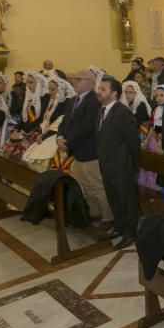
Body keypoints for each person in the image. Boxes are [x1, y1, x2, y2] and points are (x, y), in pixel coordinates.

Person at [58, 70, 109, 225]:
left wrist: (68, 143)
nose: (75, 81)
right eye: (73, 78)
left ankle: (108, 218)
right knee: (85, 186)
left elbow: (86, 127)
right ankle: (94, 213)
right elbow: (64, 121)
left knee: (97, 186)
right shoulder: (72, 100)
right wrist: (59, 136)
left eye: (79, 79)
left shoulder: (94, 100)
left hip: (89, 150)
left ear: (92, 83)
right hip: (77, 151)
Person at [94, 78, 141, 250]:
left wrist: (132, 166)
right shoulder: (101, 110)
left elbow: (133, 141)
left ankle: (130, 233)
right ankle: (120, 227)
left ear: (114, 94)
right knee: (114, 198)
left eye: (103, 89)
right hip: (107, 164)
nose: (99, 91)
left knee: (126, 200)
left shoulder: (122, 112)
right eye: (99, 88)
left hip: (122, 166)